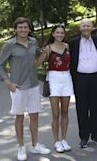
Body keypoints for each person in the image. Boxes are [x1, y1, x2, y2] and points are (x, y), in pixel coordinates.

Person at [0, 17, 51, 161]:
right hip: (18, 87)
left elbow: (36, 61)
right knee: (19, 117)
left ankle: (35, 144)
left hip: (33, 85)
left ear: (29, 29)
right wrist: (8, 82)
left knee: (34, 116)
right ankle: (21, 147)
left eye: (26, 27)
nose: (23, 30)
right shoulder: (9, 45)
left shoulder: (33, 42)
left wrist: (44, 53)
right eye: (20, 27)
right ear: (15, 29)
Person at [36, 23, 73, 153]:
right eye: (57, 32)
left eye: (62, 33)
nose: (60, 35)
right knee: (55, 113)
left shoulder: (67, 46)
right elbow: (37, 63)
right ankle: (57, 141)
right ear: (53, 34)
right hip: (53, 79)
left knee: (65, 112)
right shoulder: (48, 48)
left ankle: (64, 139)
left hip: (66, 78)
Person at [69, 18, 97, 148]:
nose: (86, 28)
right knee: (82, 108)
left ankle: (96, 135)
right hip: (80, 79)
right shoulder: (73, 43)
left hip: (95, 78)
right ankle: (84, 137)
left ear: (92, 27)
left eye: (88, 25)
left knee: (95, 108)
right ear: (80, 28)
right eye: (83, 26)